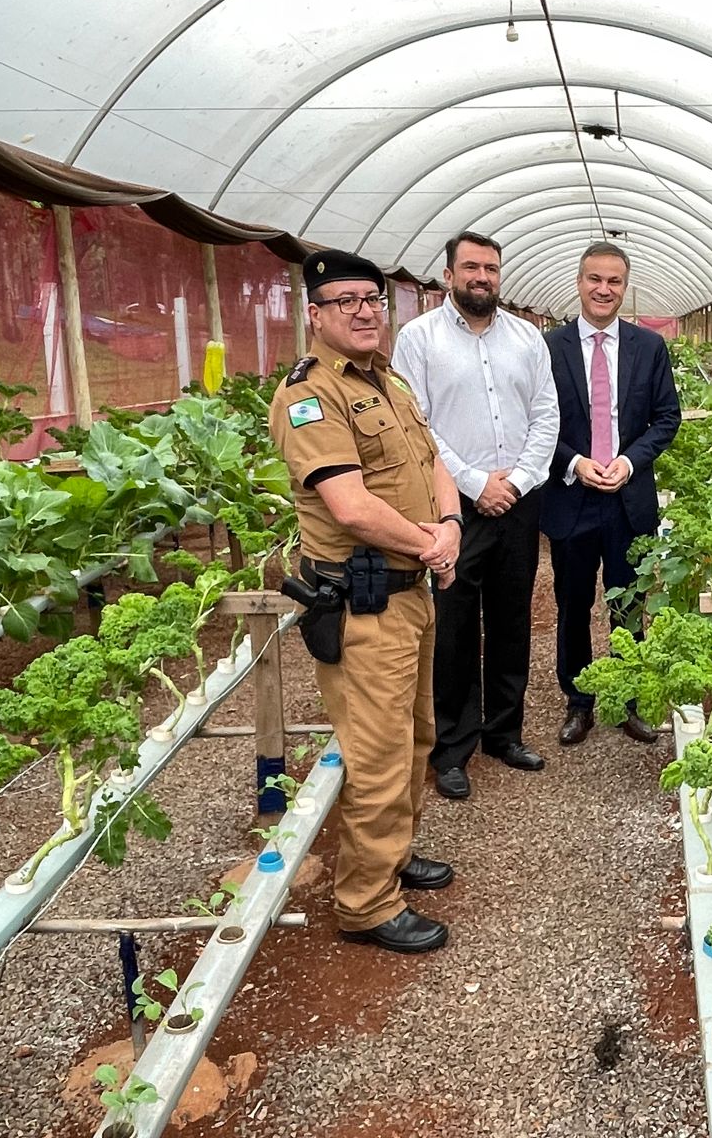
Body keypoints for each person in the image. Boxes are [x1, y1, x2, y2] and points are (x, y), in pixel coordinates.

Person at [268, 249, 462, 955]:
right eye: (343, 300)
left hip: (410, 590)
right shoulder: (309, 395)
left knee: (416, 738)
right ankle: (365, 903)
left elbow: (433, 461)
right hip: (363, 602)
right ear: (315, 313)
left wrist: (450, 527)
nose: (361, 310)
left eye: (371, 299)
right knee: (376, 755)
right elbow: (349, 507)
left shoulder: (388, 382)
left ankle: (396, 856)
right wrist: (430, 542)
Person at [393, 232, 558, 801]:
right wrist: (473, 483)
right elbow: (417, 425)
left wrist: (512, 482)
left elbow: (546, 415)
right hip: (450, 506)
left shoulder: (527, 338)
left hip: (517, 498)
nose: (481, 277)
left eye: (490, 267)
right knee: (455, 624)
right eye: (470, 267)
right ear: (448, 274)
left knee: (513, 618)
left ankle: (504, 733)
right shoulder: (417, 339)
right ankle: (454, 745)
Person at [542, 241, 681, 747]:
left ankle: (627, 700)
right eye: (595, 279)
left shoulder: (648, 348)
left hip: (628, 498)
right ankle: (579, 702)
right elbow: (535, 423)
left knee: (627, 604)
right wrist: (575, 463)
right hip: (572, 497)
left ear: (626, 287)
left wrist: (628, 461)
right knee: (572, 604)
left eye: (614, 281)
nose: (604, 289)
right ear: (579, 283)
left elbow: (667, 418)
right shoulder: (550, 349)